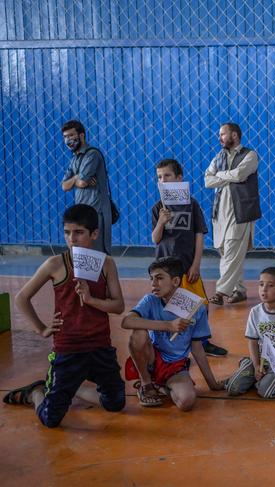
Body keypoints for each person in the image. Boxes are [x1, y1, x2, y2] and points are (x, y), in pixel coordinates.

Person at [4, 204, 125, 427]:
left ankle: (75, 386)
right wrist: (41, 328)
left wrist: (91, 300)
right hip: (69, 347)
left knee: (115, 403)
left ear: (94, 234)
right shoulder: (55, 264)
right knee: (50, 419)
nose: (72, 239)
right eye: (67, 232)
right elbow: (22, 298)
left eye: (79, 232)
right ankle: (36, 392)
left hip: (100, 345)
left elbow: (118, 306)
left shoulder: (106, 264)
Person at [121, 257, 221, 409]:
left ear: (175, 281)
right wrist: (168, 325)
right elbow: (126, 322)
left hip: (176, 364)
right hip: (151, 358)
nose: (153, 284)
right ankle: (146, 384)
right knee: (139, 333)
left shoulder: (196, 308)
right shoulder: (150, 300)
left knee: (186, 402)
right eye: (151, 279)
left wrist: (212, 384)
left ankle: (160, 386)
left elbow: (197, 348)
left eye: (159, 278)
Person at [152, 158, 227, 357]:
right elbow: (155, 238)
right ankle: (166, 343)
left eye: (167, 175)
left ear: (179, 178)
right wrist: (161, 222)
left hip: (187, 266)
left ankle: (202, 342)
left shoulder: (191, 205)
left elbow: (199, 235)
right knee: (168, 306)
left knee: (199, 304)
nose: (163, 180)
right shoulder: (158, 207)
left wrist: (196, 264)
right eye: (159, 177)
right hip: (165, 269)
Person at [219, 267, 275, 398]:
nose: (264, 289)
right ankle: (249, 368)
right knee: (232, 389)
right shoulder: (255, 312)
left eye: (270, 286)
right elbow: (252, 342)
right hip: (259, 360)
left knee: (266, 393)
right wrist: (257, 365)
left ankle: (273, 379)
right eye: (261, 284)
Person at [204, 122, 261, 305]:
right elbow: (207, 181)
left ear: (234, 135)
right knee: (224, 251)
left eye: (222, 134)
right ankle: (239, 290)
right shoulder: (219, 156)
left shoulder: (250, 155)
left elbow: (240, 176)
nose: (219, 138)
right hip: (219, 212)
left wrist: (220, 176)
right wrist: (227, 176)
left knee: (231, 251)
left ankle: (221, 292)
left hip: (240, 212)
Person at [61, 120, 113, 254]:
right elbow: (64, 186)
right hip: (82, 213)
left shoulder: (92, 154)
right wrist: (77, 177)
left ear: (82, 135)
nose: (68, 140)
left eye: (71, 135)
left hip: (97, 212)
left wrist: (78, 179)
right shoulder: (75, 159)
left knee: (97, 252)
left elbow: (82, 183)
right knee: (83, 252)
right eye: (65, 137)